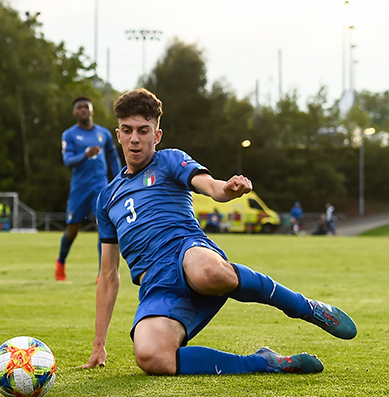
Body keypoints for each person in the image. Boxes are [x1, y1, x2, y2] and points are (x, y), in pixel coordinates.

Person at [81, 88, 356, 376]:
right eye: (127, 130)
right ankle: (265, 362)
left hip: (185, 252)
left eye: (143, 130)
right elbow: (108, 275)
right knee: (152, 357)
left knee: (208, 273)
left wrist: (228, 189)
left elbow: (211, 186)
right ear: (118, 135)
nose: (135, 138)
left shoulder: (170, 161)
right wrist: (99, 344)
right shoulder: (107, 198)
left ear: (157, 135)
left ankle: (306, 308)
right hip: (156, 286)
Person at [55, 97, 122, 281]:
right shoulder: (69, 135)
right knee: (72, 230)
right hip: (79, 188)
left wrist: (119, 180)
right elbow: (68, 161)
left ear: (92, 110)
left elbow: (113, 157)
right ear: (74, 112)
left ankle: (102, 273)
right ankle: (61, 262)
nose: (83, 110)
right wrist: (85, 154)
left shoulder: (103, 133)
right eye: (79, 107)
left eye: (86, 106)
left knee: (104, 228)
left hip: (100, 186)